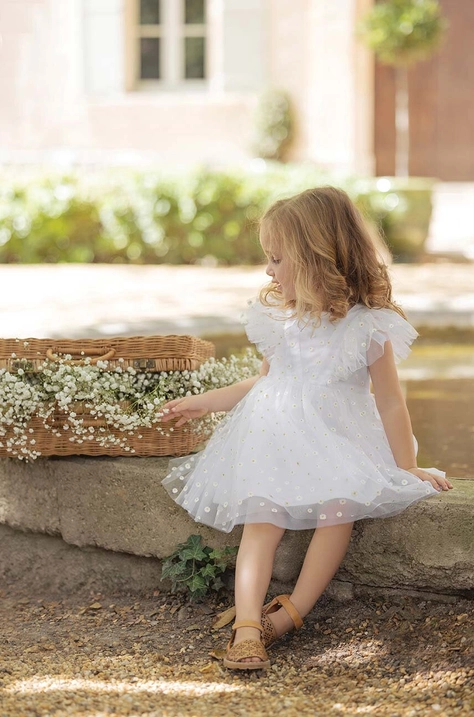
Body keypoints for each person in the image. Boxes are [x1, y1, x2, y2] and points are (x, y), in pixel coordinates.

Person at [160, 186, 452, 671]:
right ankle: (248, 626)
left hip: (337, 439)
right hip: (273, 437)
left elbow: (391, 402)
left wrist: (407, 466)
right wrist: (202, 403)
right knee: (263, 519)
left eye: (277, 259)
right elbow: (263, 381)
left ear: (315, 257)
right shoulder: (279, 319)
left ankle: (292, 612)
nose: (268, 271)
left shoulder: (369, 326)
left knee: (339, 511)